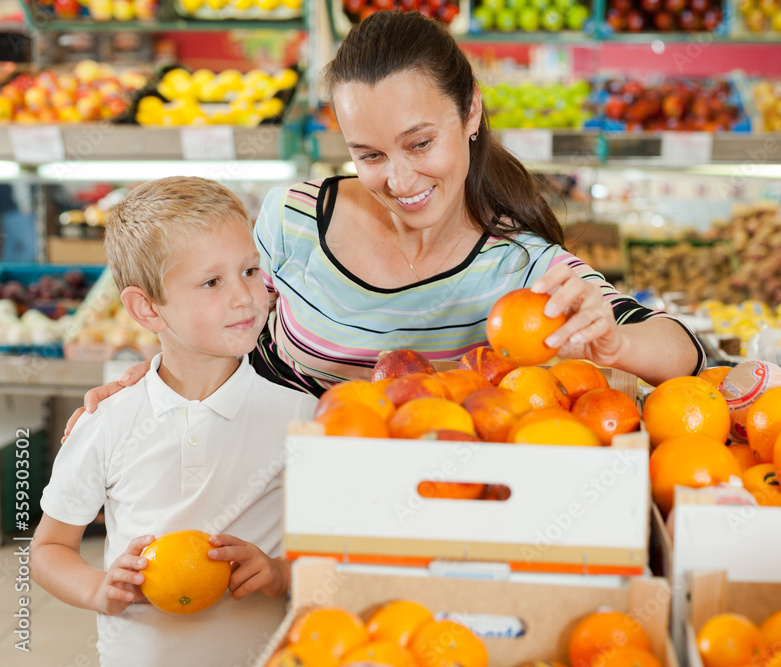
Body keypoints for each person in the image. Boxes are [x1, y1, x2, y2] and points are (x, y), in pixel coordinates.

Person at [66, 10, 704, 427]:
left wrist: (615, 342)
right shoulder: (294, 219)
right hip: (275, 507)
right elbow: (232, 337)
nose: (399, 181)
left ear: (471, 113)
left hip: (430, 512)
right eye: (369, 154)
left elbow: (684, 351)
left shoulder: (522, 268)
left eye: (421, 144)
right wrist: (150, 383)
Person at [34, 177, 318, 667]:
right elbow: (49, 550)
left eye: (250, 270)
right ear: (146, 308)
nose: (244, 297)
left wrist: (280, 573)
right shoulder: (107, 421)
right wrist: (101, 588)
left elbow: (333, 551)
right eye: (212, 282)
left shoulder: (300, 416)